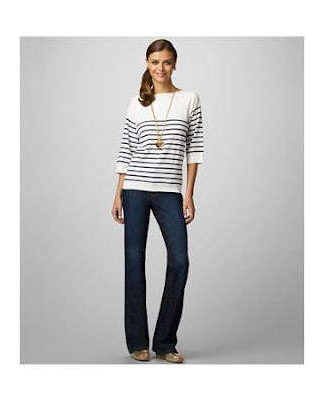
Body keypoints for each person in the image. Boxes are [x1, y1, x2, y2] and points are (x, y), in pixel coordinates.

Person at [111, 39, 204, 363]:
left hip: (169, 192)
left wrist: (189, 194)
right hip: (134, 189)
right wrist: (117, 193)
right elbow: (126, 150)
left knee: (180, 261)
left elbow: (195, 150)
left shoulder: (189, 99)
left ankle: (165, 342)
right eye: (154, 62)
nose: (160, 68)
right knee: (134, 261)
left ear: (175, 64)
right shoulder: (136, 103)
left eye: (166, 62)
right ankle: (138, 342)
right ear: (147, 63)